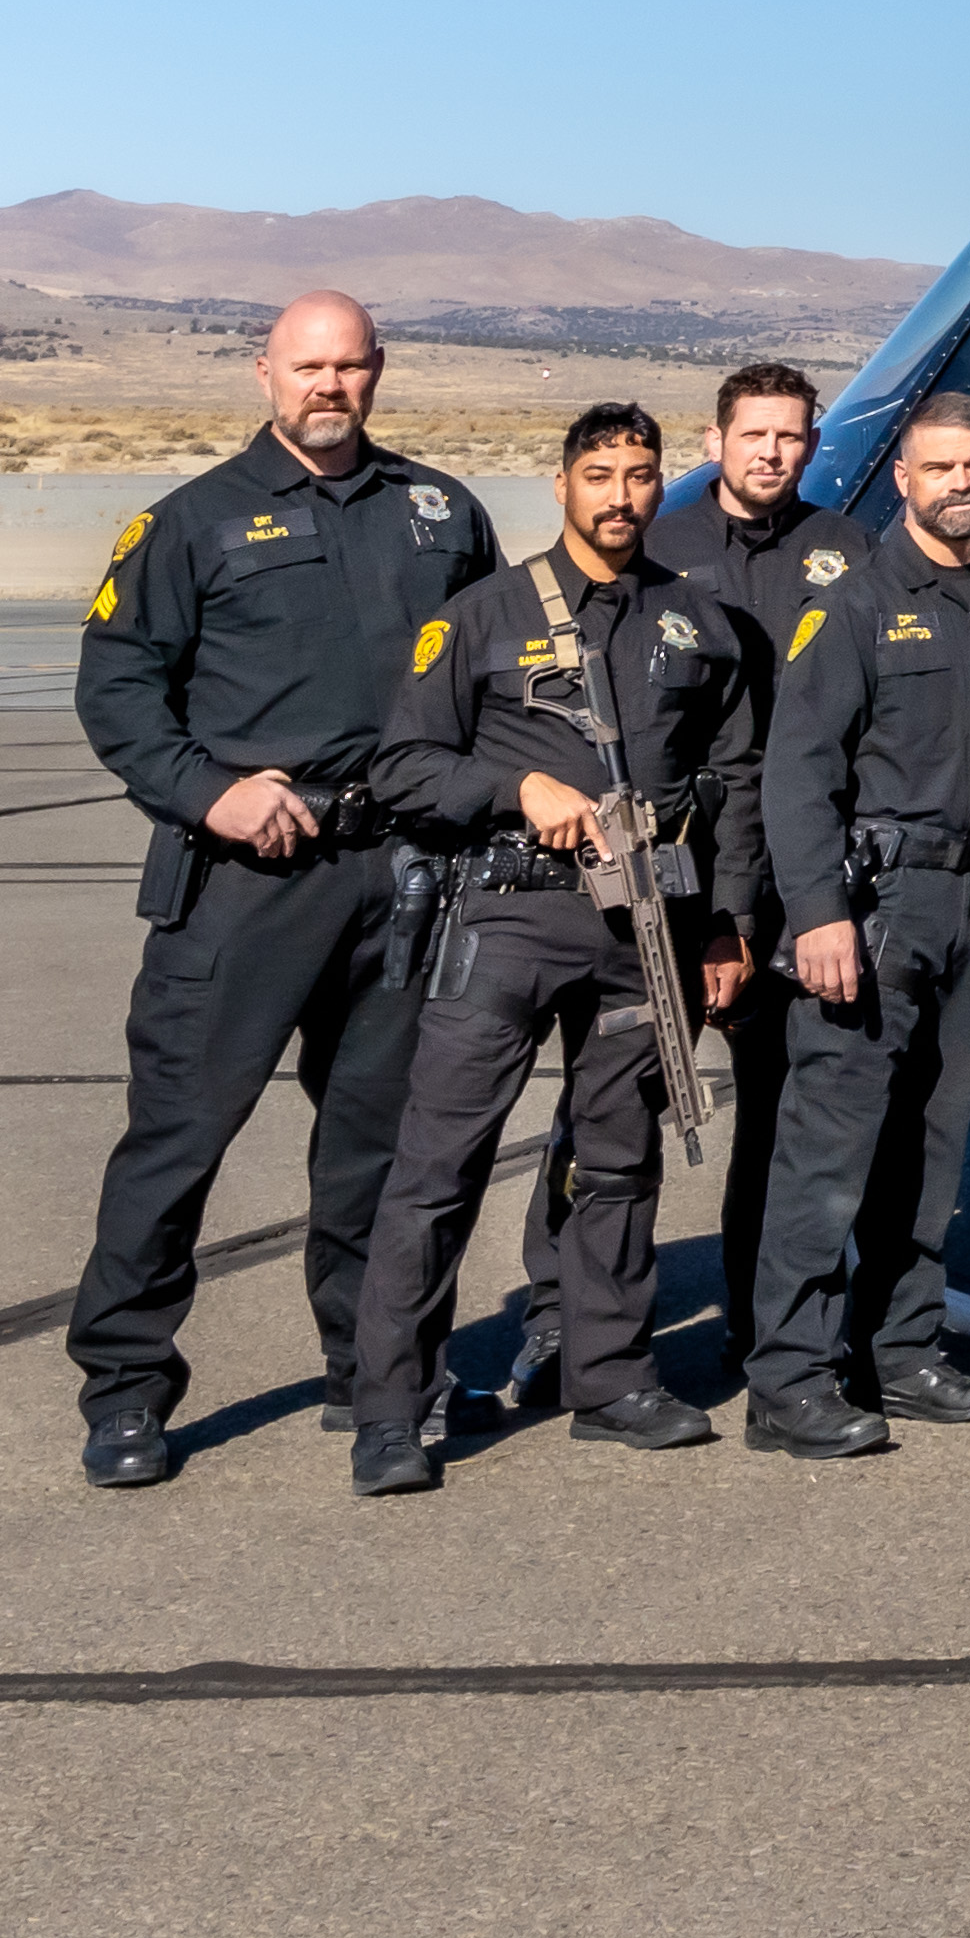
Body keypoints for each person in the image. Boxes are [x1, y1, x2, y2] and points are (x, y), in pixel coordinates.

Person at [62, 293, 501, 1488]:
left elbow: (495, 672)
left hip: (400, 874)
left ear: (377, 372)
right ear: (264, 372)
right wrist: (206, 792)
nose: (330, 385)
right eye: (309, 365)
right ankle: (126, 1387)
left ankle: (376, 1371)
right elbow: (117, 692)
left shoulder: (440, 513)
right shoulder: (190, 523)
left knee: (379, 1144)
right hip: (243, 879)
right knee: (179, 1139)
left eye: (351, 365)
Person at [345, 406, 758, 1490]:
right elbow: (403, 768)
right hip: (514, 918)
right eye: (598, 475)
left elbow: (735, 788)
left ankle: (611, 1377)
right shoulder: (482, 615)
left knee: (618, 1163)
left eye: (638, 475)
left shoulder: (697, 622)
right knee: (440, 1167)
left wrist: (725, 922)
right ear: (560, 484)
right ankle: (393, 1404)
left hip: (645, 931)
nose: (620, 495)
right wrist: (512, 786)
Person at [744, 394, 970, 1451]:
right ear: (902, 479)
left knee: (936, 1144)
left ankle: (902, 1350)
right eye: (940, 466)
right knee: (830, 1151)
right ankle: (791, 1376)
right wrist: (818, 913)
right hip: (873, 902)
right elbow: (798, 774)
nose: (962, 481)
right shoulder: (855, 605)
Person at [640, 358, 841, 1380]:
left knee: (781, 1109)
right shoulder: (658, 546)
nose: (772, 452)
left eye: (792, 435)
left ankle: (764, 1315)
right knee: (618, 1106)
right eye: (754, 433)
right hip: (672, 869)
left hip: (793, 871)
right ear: (714, 439)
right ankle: (570, 1317)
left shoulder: (846, 549)